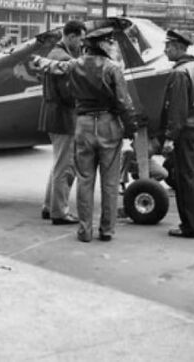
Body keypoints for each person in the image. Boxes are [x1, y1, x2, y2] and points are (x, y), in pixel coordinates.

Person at [33, 27, 138, 243]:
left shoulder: (74, 65)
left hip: (83, 124)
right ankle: (107, 230)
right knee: (109, 183)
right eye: (109, 43)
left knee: (84, 180)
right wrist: (130, 129)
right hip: (109, 125)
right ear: (101, 45)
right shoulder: (113, 68)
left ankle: (84, 231)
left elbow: (53, 66)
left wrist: (39, 61)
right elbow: (123, 103)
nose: (112, 46)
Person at [160, 30, 194, 239]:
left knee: (185, 179)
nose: (165, 51)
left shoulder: (179, 73)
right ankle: (191, 224)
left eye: (168, 47)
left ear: (177, 47)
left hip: (187, 130)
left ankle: (190, 226)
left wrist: (169, 138)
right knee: (191, 176)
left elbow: (177, 110)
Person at [38, 20, 86, 225]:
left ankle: (50, 207)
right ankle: (60, 211)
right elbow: (69, 94)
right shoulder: (64, 58)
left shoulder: (54, 54)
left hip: (54, 114)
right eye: (81, 38)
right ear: (72, 36)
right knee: (65, 166)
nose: (82, 43)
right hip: (63, 116)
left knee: (59, 163)